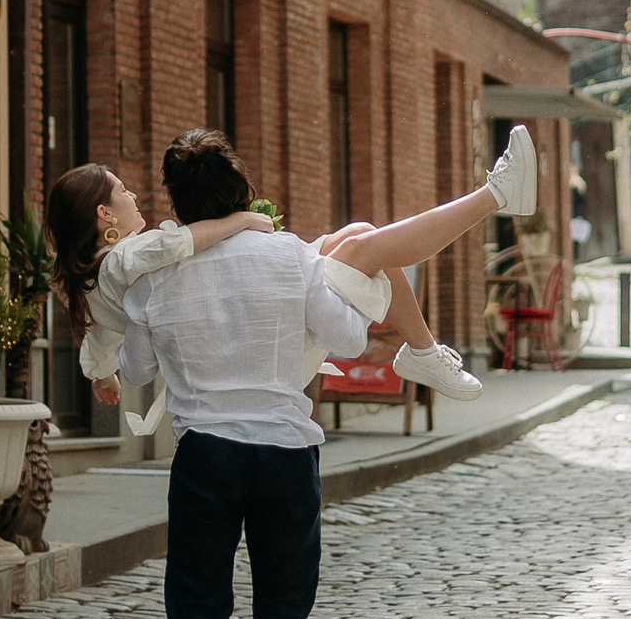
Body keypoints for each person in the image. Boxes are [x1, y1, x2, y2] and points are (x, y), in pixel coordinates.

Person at [103, 131, 376, 619]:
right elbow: (350, 338)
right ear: (240, 189)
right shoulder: (290, 254)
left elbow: (133, 370)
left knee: (197, 613)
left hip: (207, 455)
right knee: (283, 609)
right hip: (285, 449)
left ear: (178, 200)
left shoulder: (159, 272)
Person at [47, 124, 536, 408]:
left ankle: (423, 351)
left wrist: (100, 375)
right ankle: (493, 195)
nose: (134, 195)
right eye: (122, 191)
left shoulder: (100, 276)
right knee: (366, 249)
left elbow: (100, 338)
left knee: (360, 233)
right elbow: (184, 243)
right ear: (104, 215)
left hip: (245, 352)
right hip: (276, 355)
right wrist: (247, 221)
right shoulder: (130, 256)